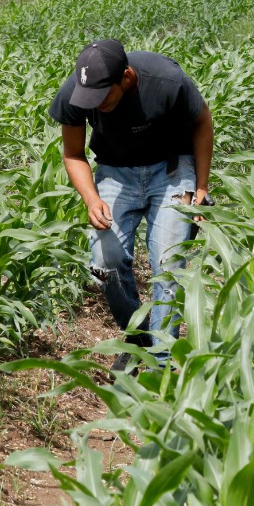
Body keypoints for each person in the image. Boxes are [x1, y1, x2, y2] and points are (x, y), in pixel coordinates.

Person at [49, 39, 213, 368]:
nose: (93, 104)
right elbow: (73, 154)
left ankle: (161, 361)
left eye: (101, 96)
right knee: (104, 262)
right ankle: (138, 341)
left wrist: (201, 187)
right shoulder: (76, 91)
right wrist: (91, 198)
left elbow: (202, 123)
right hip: (114, 172)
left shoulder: (168, 81)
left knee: (168, 266)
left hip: (170, 169)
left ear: (126, 77)